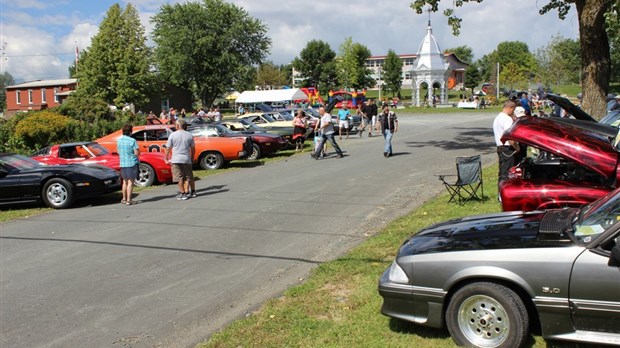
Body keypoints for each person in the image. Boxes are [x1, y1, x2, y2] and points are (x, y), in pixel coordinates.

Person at [165, 119, 196, 200]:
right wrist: (192, 157)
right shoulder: (189, 135)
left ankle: (183, 193)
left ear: (178, 126)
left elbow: (168, 148)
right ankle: (191, 191)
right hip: (186, 158)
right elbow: (193, 148)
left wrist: (166, 158)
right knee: (188, 176)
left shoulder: (173, 135)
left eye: (176, 125)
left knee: (179, 177)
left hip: (176, 159)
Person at [493, 100, 519, 194]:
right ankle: (505, 193)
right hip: (507, 148)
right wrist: (516, 147)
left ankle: (500, 192)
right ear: (510, 108)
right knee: (508, 173)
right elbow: (509, 137)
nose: (513, 112)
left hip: (500, 147)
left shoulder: (498, 117)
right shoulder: (507, 119)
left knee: (502, 173)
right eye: (513, 109)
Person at [116, 124, 140, 205]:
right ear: (130, 131)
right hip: (131, 162)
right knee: (130, 182)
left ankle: (124, 198)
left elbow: (118, 151)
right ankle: (129, 200)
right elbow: (136, 152)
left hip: (123, 162)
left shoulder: (119, 140)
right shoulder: (132, 140)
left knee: (125, 182)